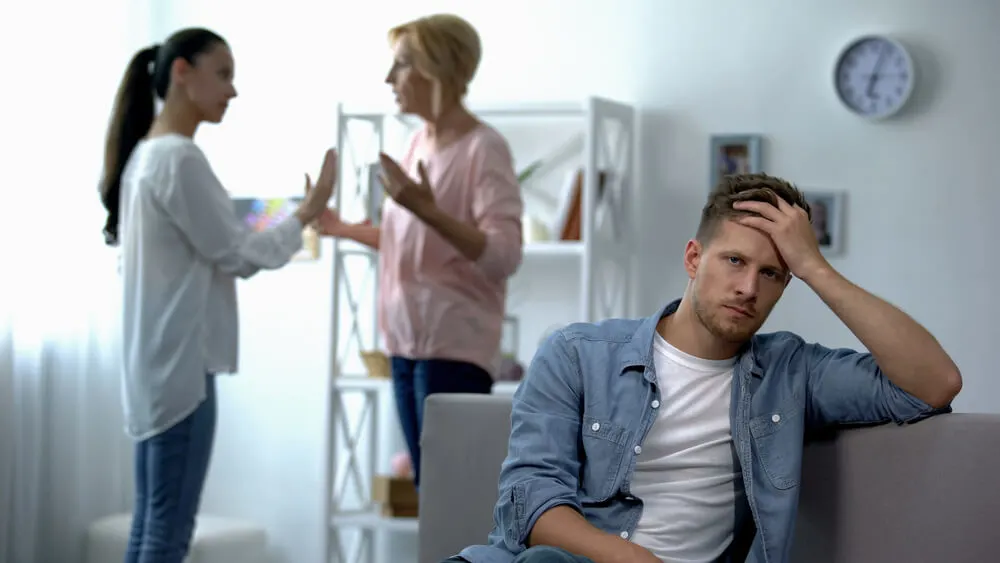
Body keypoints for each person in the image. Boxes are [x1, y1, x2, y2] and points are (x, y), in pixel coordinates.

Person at [446, 173, 962, 563]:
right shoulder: (577, 353)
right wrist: (632, 559)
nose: (748, 288)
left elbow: (933, 383)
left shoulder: (790, 373)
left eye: (773, 274)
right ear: (694, 258)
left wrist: (815, 267)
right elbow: (533, 501)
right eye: (734, 261)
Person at [99, 27, 336, 563]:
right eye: (224, 74)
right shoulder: (179, 160)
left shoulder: (145, 157)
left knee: (152, 525)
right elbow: (237, 254)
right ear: (182, 72)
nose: (233, 91)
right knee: (168, 532)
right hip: (181, 373)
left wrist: (299, 213)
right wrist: (307, 209)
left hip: (154, 369)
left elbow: (220, 242)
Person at [316, 14, 524, 488]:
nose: (390, 79)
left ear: (439, 70)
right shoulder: (416, 145)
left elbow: (504, 254)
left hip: (452, 348)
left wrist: (428, 211)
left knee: (448, 494)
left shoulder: (483, 148)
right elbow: (407, 242)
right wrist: (340, 228)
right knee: (428, 491)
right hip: (404, 345)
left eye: (402, 65)